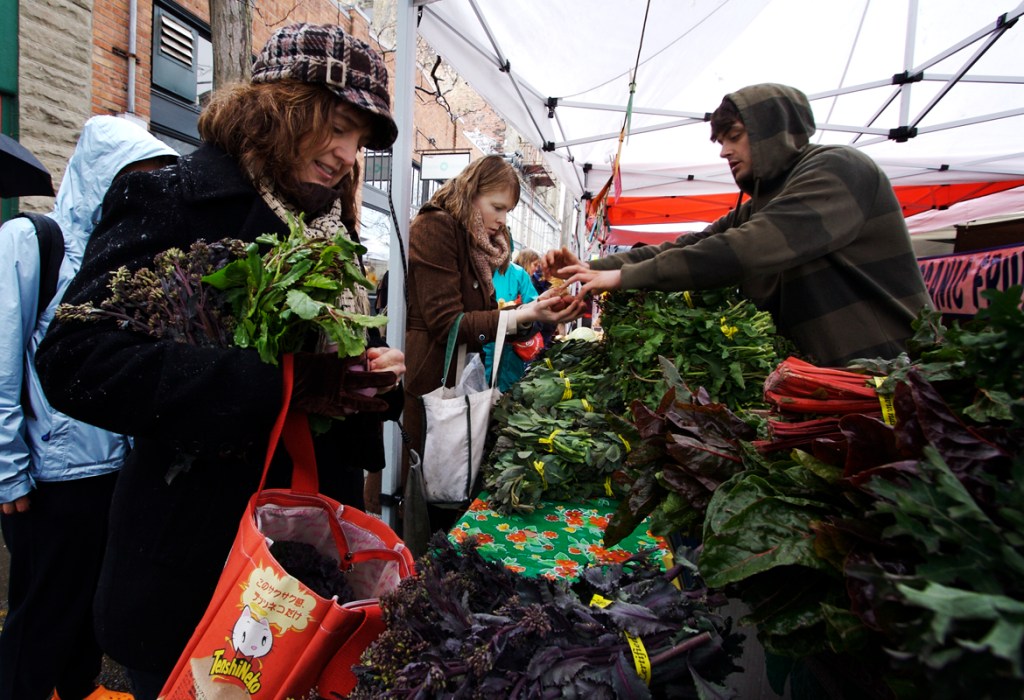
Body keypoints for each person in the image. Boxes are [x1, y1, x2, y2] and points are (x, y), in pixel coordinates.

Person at [35, 23, 404, 699]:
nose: (349, 155)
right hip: (195, 570)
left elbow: (325, 401)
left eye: (361, 140)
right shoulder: (170, 199)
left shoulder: (332, 230)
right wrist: (282, 386)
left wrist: (365, 386)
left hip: (303, 576)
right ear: (283, 106)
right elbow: (76, 359)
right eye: (339, 126)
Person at [544, 83, 933, 367]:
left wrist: (626, 278)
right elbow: (689, 244)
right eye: (720, 142)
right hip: (838, 378)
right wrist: (593, 269)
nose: (725, 151)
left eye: (735, 137)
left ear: (772, 135)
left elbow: (748, 248)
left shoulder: (839, 170)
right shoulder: (763, 202)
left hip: (894, 370)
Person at [0, 116, 178, 700]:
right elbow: (2, 365)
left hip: (115, 471)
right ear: (105, 178)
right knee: (41, 613)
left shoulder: (126, 260)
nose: (145, 195)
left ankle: (78, 689)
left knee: (88, 607)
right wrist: (9, 474)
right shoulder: (31, 242)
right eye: (136, 180)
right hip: (50, 480)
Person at [403, 154, 583, 541]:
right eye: (497, 207)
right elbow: (446, 322)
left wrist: (538, 315)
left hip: (462, 376)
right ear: (471, 193)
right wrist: (522, 314)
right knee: (429, 485)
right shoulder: (436, 227)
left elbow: (483, 315)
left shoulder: (478, 242)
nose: (503, 219)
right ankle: (415, 562)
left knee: (451, 484)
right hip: (434, 376)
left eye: (509, 210)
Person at [482, 239, 540, 391]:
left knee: (504, 400)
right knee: (475, 398)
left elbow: (535, 315)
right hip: (477, 352)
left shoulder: (519, 275)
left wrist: (517, 317)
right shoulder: (475, 270)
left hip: (509, 355)